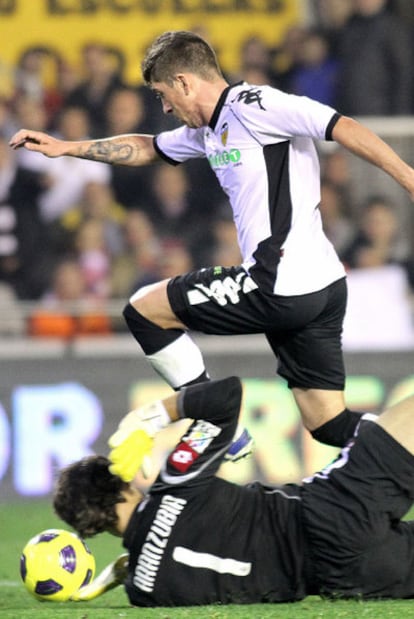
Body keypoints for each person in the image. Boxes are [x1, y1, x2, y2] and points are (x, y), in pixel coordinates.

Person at [9, 30, 414, 448]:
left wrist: (409, 178)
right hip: (320, 285)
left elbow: (340, 125)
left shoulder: (258, 105)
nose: (165, 106)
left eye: (163, 94)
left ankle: (217, 422)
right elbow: (148, 147)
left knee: (143, 311)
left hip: (281, 283)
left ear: (184, 82)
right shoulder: (211, 128)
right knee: (329, 425)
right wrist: (67, 147)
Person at [54, 375, 414, 606]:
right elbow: (225, 395)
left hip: (346, 576)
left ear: (88, 529)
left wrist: (131, 566)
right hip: (330, 511)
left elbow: (173, 556)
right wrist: (152, 419)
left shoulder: (143, 591)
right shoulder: (176, 483)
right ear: (122, 478)